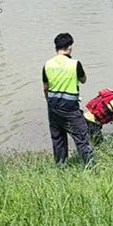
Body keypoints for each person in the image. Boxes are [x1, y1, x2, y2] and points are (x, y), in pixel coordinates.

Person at [42, 33, 93, 166]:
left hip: (53, 107)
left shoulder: (47, 64)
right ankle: (90, 167)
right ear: (70, 47)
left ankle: (60, 166)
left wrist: (50, 103)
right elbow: (84, 80)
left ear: (56, 47)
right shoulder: (75, 64)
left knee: (58, 139)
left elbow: (45, 88)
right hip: (70, 108)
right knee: (81, 137)